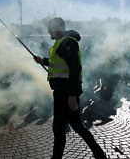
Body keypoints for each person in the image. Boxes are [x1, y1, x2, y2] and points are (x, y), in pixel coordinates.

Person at [33, 17, 107, 159]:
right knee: (75, 126)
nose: (48, 33)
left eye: (50, 29)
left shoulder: (67, 42)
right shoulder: (61, 43)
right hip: (62, 91)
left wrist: (72, 96)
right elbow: (58, 63)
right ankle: (99, 155)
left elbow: (75, 68)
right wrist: (43, 61)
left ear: (59, 28)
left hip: (65, 92)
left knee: (60, 128)